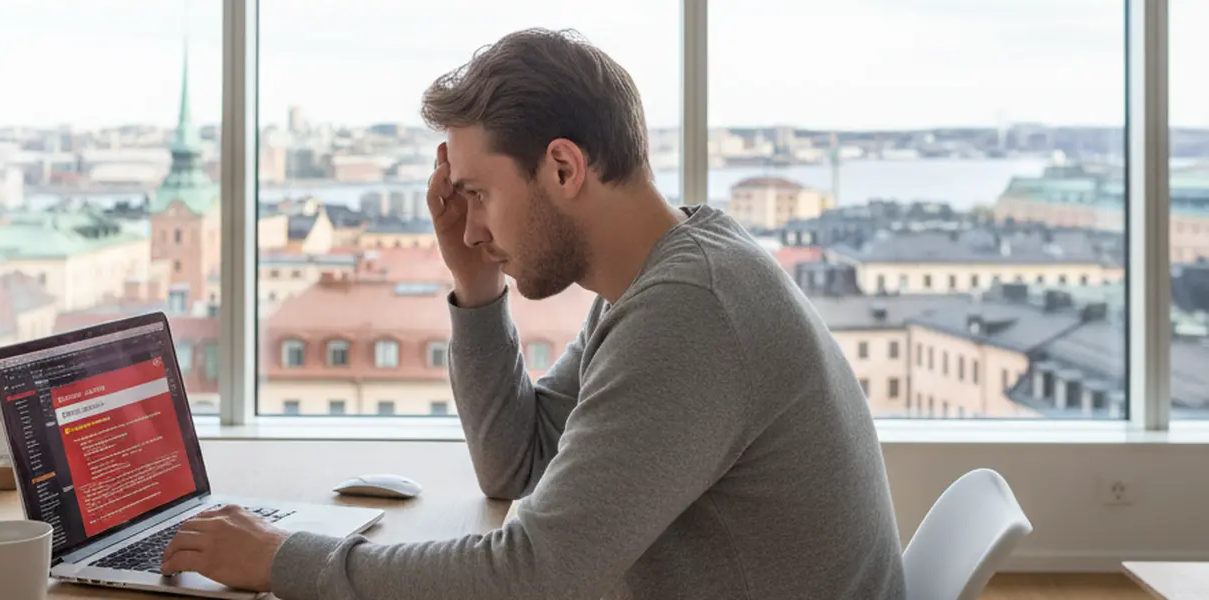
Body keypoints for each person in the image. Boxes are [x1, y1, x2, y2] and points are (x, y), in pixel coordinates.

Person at [161, 28, 906, 599]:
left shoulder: (691, 312)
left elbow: (536, 577)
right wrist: (476, 285)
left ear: (563, 168)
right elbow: (516, 464)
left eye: (479, 194)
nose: (470, 227)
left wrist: (283, 560)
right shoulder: (660, 273)